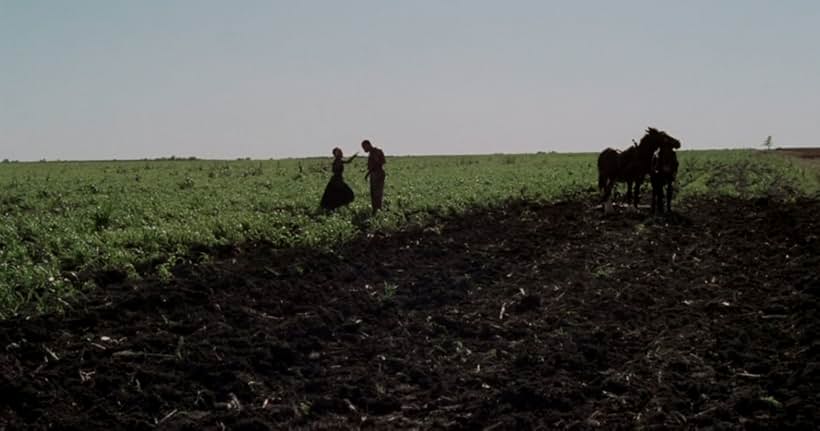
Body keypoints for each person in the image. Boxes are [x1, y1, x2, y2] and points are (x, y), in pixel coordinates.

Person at [361, 139, 385, 214]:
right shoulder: (373, 152)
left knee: (377, 194)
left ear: (367, 145)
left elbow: (379, 163)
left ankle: (377, 210)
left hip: (377, 174)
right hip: (375, 174)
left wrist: (370, 172)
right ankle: (376, 210)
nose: (364, 149)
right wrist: (368, 174)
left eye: (364, 147)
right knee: (374, 194)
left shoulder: (375, 152)